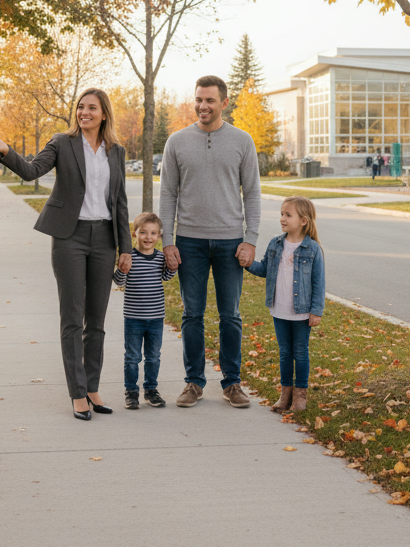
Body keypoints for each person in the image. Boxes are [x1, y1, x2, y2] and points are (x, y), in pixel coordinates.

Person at [0, 88, 130, 421]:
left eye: (91, 108)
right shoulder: (62, 142)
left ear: (104, 114)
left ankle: (92, 387)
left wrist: (126, 248)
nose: (83, 112)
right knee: (73, 318)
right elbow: (31, 171)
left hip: (104, 239)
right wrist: (6, 152)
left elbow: (120, 202)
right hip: (69, 237)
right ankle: (77, 393)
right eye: (80, 107)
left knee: (97, 322)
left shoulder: (117, 152)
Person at [160, 75, 261, 409]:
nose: (203, 106)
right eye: (199, 100)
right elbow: (167, 194)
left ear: (224, 103)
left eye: (210, 101)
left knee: (230, 314)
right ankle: (194, 382)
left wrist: (250, 239)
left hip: (231, 242)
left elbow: (253, 194)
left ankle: (232, 383)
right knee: (192, 315)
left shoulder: (242, 141)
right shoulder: (176, 141)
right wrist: (167, 242)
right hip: (189, 242)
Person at [246, 196, 325, 414]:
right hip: (279, 309)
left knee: (300, 353)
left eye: (288, 215)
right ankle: (285, 394)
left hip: (301, 312)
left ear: (303, 221)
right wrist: (247, 263)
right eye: (282, 214)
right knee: (284, 352)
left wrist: (316, 311)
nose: (282, 218)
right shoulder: (275, 244)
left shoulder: (312, 249)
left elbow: (319, 282)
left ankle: (300, 395)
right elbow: (264, 270)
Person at [112, 212, 176, 410]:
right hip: (134, 318)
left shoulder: (159, 257)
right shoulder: (129, 257)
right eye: (144, 232)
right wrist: (122, 270)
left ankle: (151, 390)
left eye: (153, 233)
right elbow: (119, 282)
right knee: (132, 357)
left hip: (156, 318)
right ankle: (131, 392)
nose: (148, 237)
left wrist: (172, 267)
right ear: (134, 234)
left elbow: (166, 277)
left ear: (159, 236)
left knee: (153, 356)